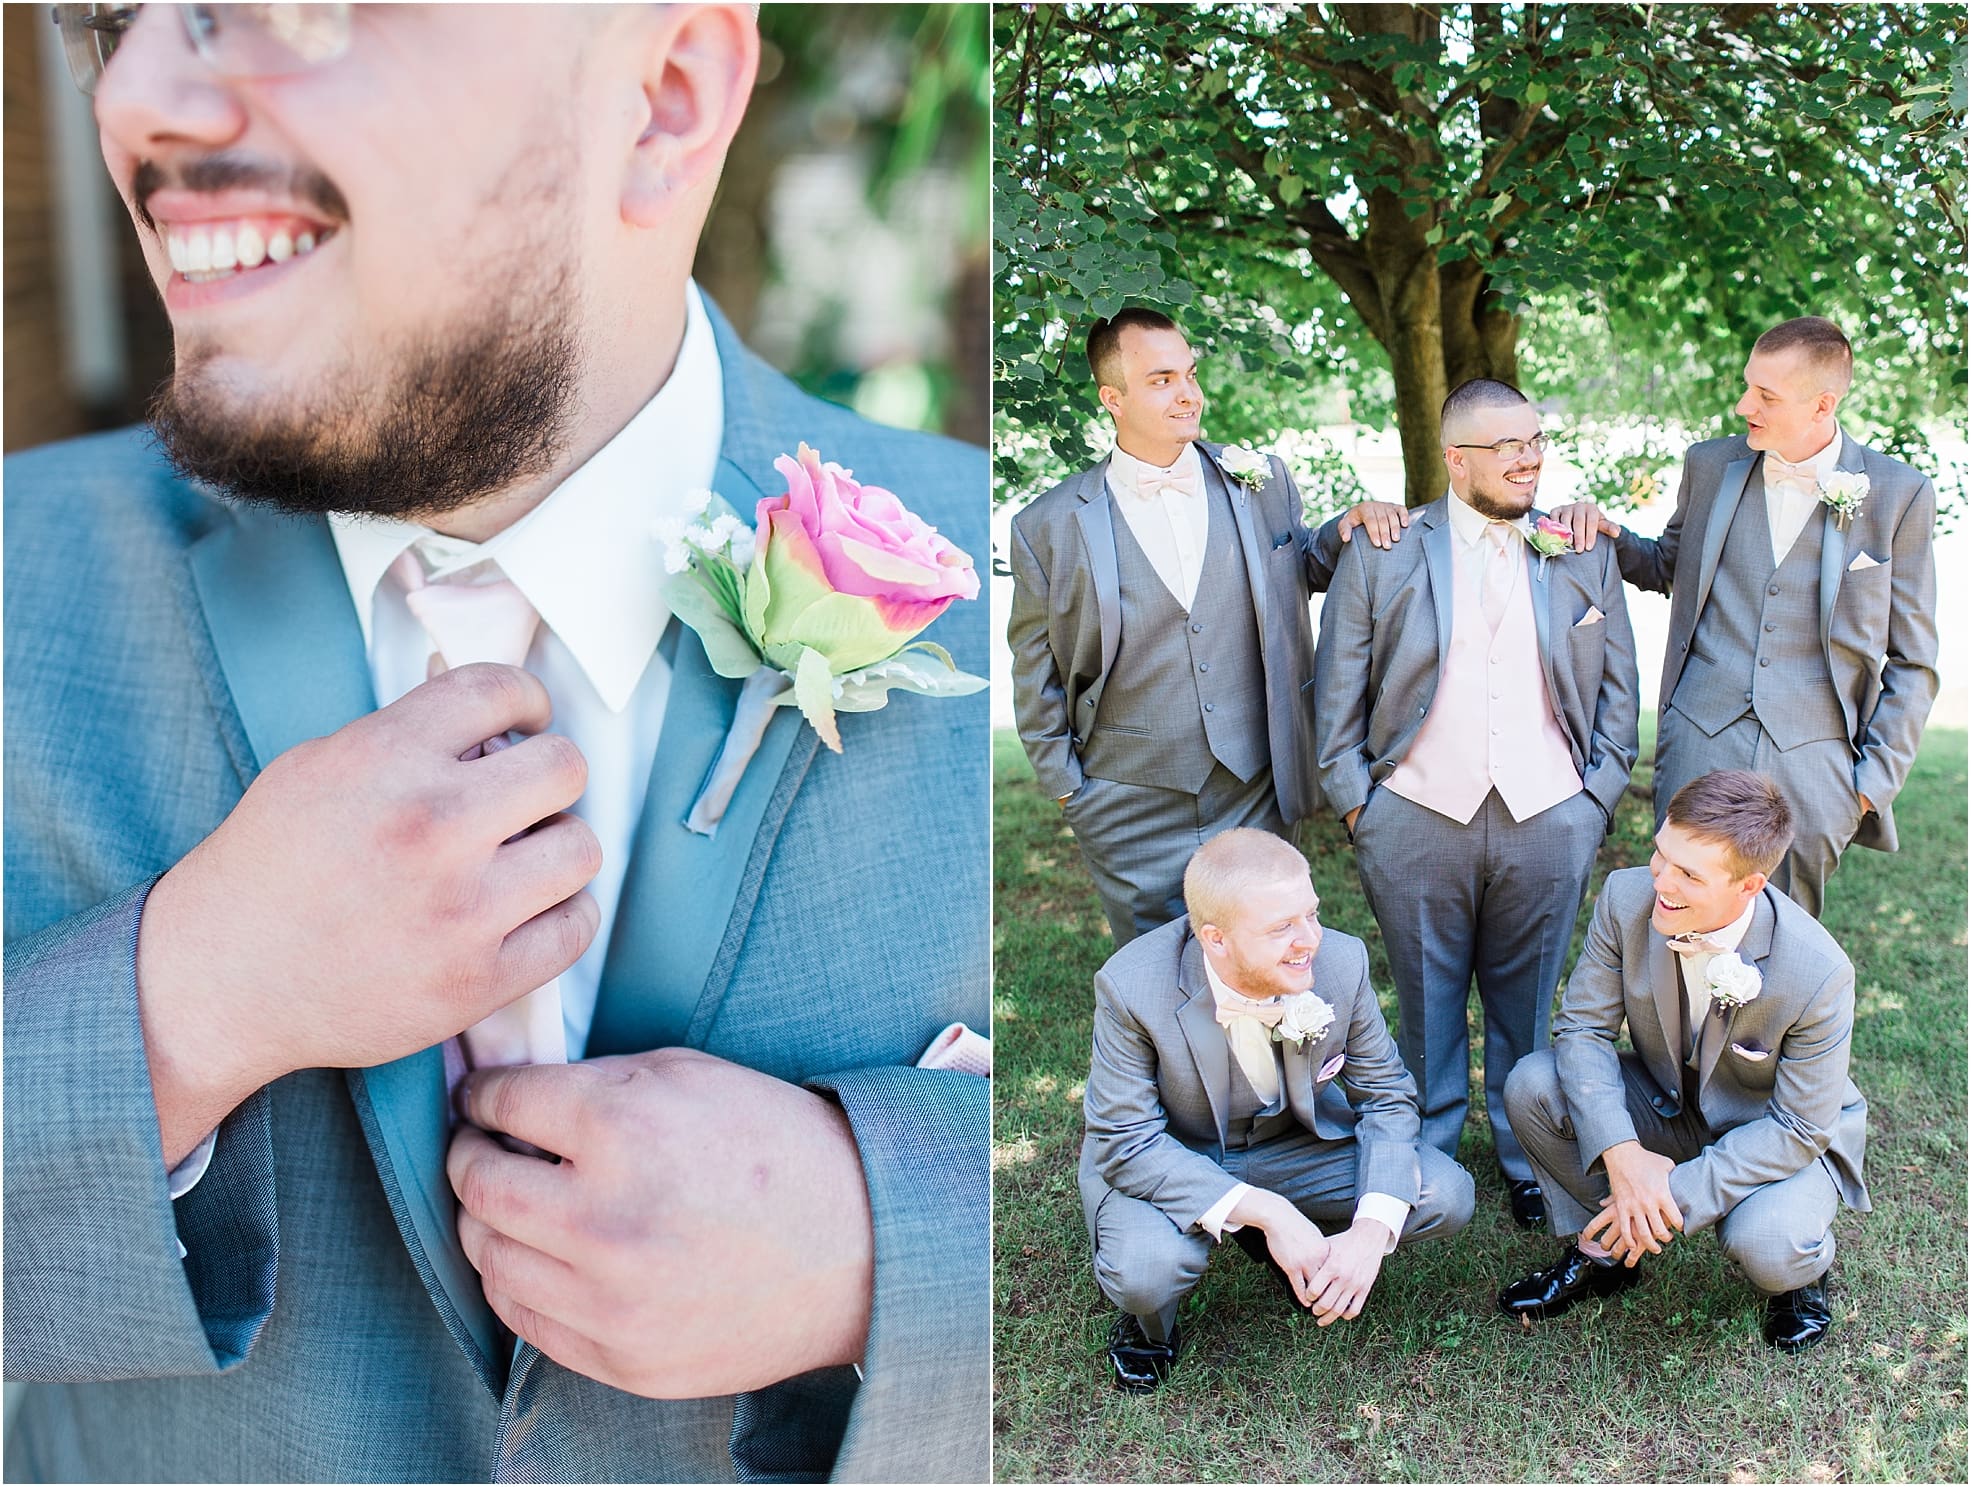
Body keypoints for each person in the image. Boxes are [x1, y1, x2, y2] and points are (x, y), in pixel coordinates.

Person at [3, 7, 987, 1481]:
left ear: (663, 97)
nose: (138, 97)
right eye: (111, 16)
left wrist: (891, 1241)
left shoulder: (1000, 572)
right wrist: (185, 1004)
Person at [1310, 378, 1639, 1229]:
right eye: (1506, 446)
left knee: (1529, 1004)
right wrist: (1359, 807)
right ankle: (1428, 1154)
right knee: (1425, 999)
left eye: (1534, 441)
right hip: (1412, 815)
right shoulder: (1383, 549)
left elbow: (1617, 691)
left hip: (1550, 814)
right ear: (1455, 459)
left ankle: (1528, 1155)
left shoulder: (1578, 547)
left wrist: (1594, 800)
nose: (1527, 459)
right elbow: (1335, 691)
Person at [1007, 307, 1410, 945]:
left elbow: (1299, 564)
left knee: (1266, 957)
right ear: (1113, 399)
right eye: (1162, 380)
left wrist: (1345, 528)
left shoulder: (1260, 481)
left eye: (1190, 374)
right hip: (1125, 799)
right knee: (1156, 978)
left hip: (1254, 786)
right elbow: (1036, 670)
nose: (1189, 394)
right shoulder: (1047, 525)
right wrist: (1070, 792)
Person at [1549, 316, 1939, 917]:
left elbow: (1913, 659)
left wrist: (1868, 787)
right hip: (1698, 740)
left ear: (1823, 404)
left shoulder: (1899, 492)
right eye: (1747, 386)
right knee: (1676, 914)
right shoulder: (1710, 466)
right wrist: (1608, 533)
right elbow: (1667, 565)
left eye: (1765, 395)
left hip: (1815, 767)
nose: (1743, 406)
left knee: (1783, 939)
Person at [1078, 829, 1473, 1391]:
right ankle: (1152, 1329)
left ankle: (1306, 1246)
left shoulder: (1341, 963)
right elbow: (1126, 1140)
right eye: (1281, 927)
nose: (1308, 940)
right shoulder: (1132, 987)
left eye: (1311, 914)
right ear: (1215, 939)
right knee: (1146, 1271)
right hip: (1177, 1154)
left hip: (1290, 1146)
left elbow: (1386, 1095)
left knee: (1445, 1193)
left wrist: (1368, 1232)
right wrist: (1271, 1212)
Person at [1497, 770, 1868, 1352]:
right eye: (1661, 855)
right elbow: (1584, 1029)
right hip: (1667, 1103)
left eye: (1690, 874)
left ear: (1750, 886)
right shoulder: (1625, 899)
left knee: (1770, 1243)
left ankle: (1800, 1277)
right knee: (1534, 1086)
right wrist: (1622, 1154)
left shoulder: (1818, 972)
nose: (1662, 882)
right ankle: (1605, 1252)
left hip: (1771, 1132)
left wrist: (1667, 1193)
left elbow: (1800, 1127)